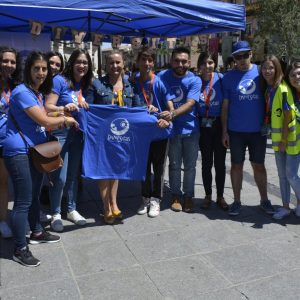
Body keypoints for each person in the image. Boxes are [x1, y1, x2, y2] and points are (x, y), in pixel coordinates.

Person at [3, 51, 78, 266]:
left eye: (44, 69)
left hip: (34, 150)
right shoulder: (21, 92)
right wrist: (65, 119)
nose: (42, 72)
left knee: (33, 195)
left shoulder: (35, 93)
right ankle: (20, 248)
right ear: (28, 70)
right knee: (23, 201)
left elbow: (45, 115)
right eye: (37, 68)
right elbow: (45, 121)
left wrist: (61, 113)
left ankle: (36, 232)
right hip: (18, 151)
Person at [221, 40, 275, 216]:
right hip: (236, 131)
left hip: (258, 131)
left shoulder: (262, 73)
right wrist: (224, 131)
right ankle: (236, 201)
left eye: (245, 55)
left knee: (259, 166)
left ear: (251, 54)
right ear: (234, 58)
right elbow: (225, 107)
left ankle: (264, 200)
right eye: (238, 56)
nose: (242, 59)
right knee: (236, 166)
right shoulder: (228, 78)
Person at [86, 50, 138, 224]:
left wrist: (150, 110)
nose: (115, 66)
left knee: (115, 170)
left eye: (118, 62)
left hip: (122, 136)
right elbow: (90, 109)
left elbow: (138, 108)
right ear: (105, 65)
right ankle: (106, 206)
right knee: (104, 171)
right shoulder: (96, 84)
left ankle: (114, 202)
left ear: (123, 64)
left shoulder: (130, 85)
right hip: (102, 136)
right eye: (111, 63)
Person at [45, 49, 91, 232]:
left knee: (73, 176)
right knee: (59, 178)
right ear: (71, 63)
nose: (82, 66)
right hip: (60, 133)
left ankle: (71, 209)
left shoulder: (81, 84)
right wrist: (64, 108)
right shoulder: (59, 80)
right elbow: (47, 107)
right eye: (79, 62)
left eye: (85, 63)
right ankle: (56, 213)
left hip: (77, 134)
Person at [158, 46, 201, 213]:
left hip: (191, 130)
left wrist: (172, 114)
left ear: (189, 62)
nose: (180, 64)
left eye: (184, 61)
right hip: (171, 131)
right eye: (177, 61)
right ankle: (176, 195)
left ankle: (188, 196)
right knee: (174, 165)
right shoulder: (162, 77)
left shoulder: (195, 80)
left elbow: (190, 104)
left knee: (190, 166)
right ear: (171, 61)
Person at [134, 47, 173, 218]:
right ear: (138, 62)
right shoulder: (133, 81)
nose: (147, 63)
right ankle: (145, 198)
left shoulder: (159, 82)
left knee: (158, 167)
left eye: (150, 60)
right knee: (143, 166)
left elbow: (170, 107)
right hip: (141, 133)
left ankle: (156, 199)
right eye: (144, 59)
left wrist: (167, 117)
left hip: (158, 132)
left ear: (153, 63)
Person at [265, 59, 300, 219]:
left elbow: (287, 117)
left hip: (290, 141)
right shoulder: (280, 89)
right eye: (293, 74)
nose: (296, 77)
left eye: (299, 74)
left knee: (291, 174)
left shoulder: (283, 89)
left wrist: (284, 141)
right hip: (283, 139)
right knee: (282, 175)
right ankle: (286, 206)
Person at [197, 52, 228, 210]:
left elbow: (226, 106)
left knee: (220, 164)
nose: (208, 66)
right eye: (204, 63)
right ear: (199, 66)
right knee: (206, 164)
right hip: (203, 127)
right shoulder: (196, 81)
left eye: (211, 63)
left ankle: (220, 196)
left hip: (218, 125)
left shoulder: (221, 79)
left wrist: (225, 131)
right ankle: (208, 195)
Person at [0, 47, 21, 238]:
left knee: (4, 183)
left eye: (12, 62)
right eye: (5, 61)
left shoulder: (13, 85)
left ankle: (3, 219)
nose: (9, 65)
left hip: (8, 141)